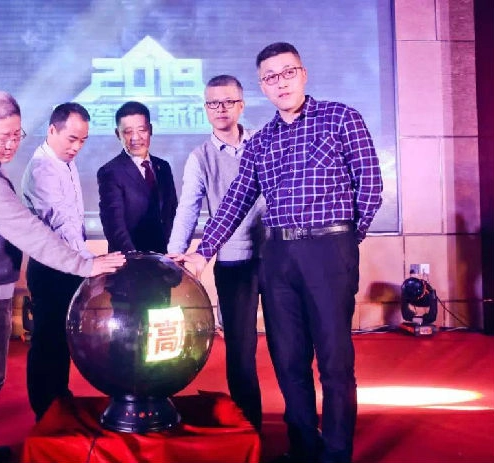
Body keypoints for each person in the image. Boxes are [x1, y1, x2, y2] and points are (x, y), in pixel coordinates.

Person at [176, 43, 383, 463]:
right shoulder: (261, 141)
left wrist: (345, 239)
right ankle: (303, 446)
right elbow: (235, 201)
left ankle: (336, 452)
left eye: (288, 72)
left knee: (334, 360)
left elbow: (371, 185)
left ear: (303, 74)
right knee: (288, 360)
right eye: (270, 77)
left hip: (329, 250)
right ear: (262, 86)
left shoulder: (341, 118)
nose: (281, 82)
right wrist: (202, 253)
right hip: (278, 256)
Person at [0, 91, 124, 463]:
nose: (10, 145)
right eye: (2, 138)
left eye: (16, 134)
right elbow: (34, 235)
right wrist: (87, 265)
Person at [167, 74, 265, 431]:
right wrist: (174, 255)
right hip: (232, 262)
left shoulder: (264, 142)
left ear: (242, 105)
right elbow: (188, 209)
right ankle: (250, 427)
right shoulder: (200, 157)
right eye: (213, 103)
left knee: (291, 345)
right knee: (240, 351)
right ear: (206, 109)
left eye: (228, 102)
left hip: (276, 257)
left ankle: (300, 424)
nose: (221, 109)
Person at [20, 102, 92, 421]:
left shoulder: (64, 162)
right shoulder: (42, 168)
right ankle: (44, 409)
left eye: (82, 141)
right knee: (47, 340)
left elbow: (75, 219)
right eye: (71, 139)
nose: (76, 147)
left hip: (67, 264)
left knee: (62, 338)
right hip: (50, 267)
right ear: (52, 130)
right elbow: (61, 220)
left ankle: (59, 397)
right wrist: (89, 262)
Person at [97, 101, 178, 254]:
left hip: (165, 260)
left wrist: (173, 253)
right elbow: (114, 226)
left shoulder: (163, 167)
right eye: (128, 132)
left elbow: (172, 214)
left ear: (150, 130)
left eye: (142, 130)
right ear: (118, 134)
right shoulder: (110, 172)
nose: (135, 138)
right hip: (130, 261)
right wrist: (134, 258)